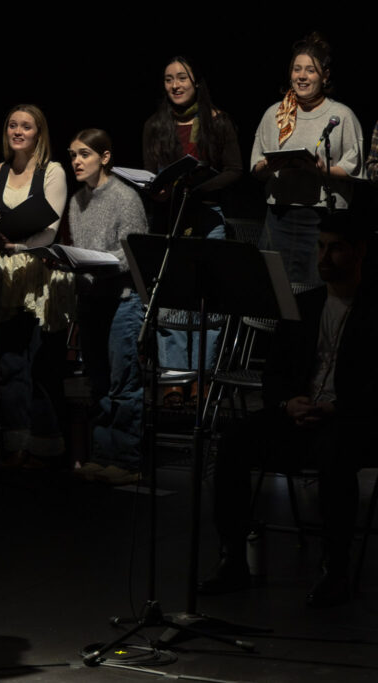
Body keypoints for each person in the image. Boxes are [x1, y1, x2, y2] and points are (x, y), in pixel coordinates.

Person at [201, 217, 375, 607]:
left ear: (360, 251)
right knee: (232, 443)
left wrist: (336, 408)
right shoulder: (305, 304)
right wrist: (287, 402)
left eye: (336, 247)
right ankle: (232, 559)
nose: (324, 257)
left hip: (352, 420)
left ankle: (336, 569)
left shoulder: (372, 309)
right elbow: (274, 372)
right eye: (321, 246)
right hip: (299, 414)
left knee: (335, 454)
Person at [0, 104, 70, 465]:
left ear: (38, 134)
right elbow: (0, 222)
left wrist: (15, 242)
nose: (18, 131)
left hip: (40, 272)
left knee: (41, 364)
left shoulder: (53, 171)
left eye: (26, 127)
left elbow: (51, 224)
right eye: (12, 125)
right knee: (12, 362)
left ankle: (45, 444)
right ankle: (15, 441)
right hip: (8, 273)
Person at [143, 56, 242, 371]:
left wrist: (198, 187)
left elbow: (235, 169)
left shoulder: (218, 121)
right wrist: (158, 191)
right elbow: (150, 175)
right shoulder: (155, 125)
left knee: (208, 303)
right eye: (169, 79)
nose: (175, 85)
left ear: (196, 82)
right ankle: (174, 374)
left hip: (208, 216)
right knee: (173, 302)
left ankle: (202, 374)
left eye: (182, 78)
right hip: (171, 220)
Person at [64, 129, 149, 486]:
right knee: (97, 385)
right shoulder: (76, 201)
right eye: (72, 155)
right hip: (91, 302)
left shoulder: (125, 197)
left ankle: (127, 461)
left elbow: (134, 254)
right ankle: (101, 456)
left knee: (123, 385)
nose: (77, 162)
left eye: (84, 154)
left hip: (122, 303)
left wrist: (95, 262)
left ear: (105, 157)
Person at [250, 32, 366, 287]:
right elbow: (256, 168)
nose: (301, 76)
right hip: (279, 217)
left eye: (310, 70)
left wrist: (322, 170)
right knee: (274, 292)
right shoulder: (275, 114)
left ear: (324, 76)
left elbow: (355, 170)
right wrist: (268, 167)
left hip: (322, 221)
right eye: (296, 69)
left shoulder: (342, 115)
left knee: (315, 294)